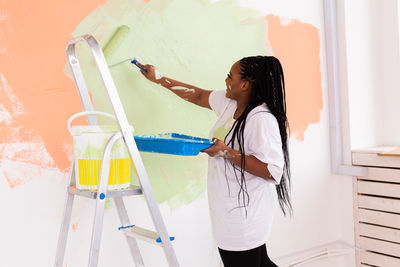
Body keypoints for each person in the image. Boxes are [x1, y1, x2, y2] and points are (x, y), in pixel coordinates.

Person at [138, 56, 292, 267]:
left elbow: (273, 170)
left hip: (244, 219)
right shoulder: (230, 103)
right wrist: (159, 79)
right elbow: (198, 95)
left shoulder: (260, 119)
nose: (226, 80)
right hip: (228, 212)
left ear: (245, 85)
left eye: (230, 76)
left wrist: (226, 152)